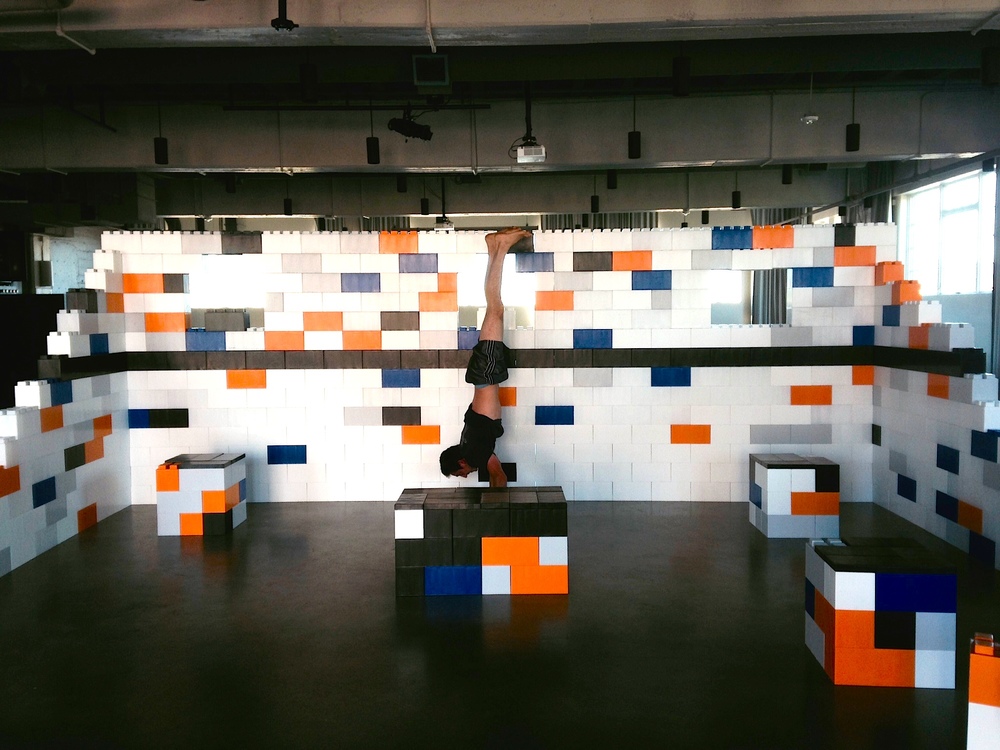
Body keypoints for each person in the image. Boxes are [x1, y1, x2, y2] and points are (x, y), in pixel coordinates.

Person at [439, 226, 531, 487]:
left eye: (460, 473)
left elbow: (498, 476)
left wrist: (496, 515)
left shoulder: (474, 454)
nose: (465, 475)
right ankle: (494, 248)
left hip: (486, 371)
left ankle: (501, 248)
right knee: (496, 308)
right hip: (482, 373)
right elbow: (495, 473)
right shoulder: (468, 444)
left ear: (460, 463)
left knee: (496, 307)